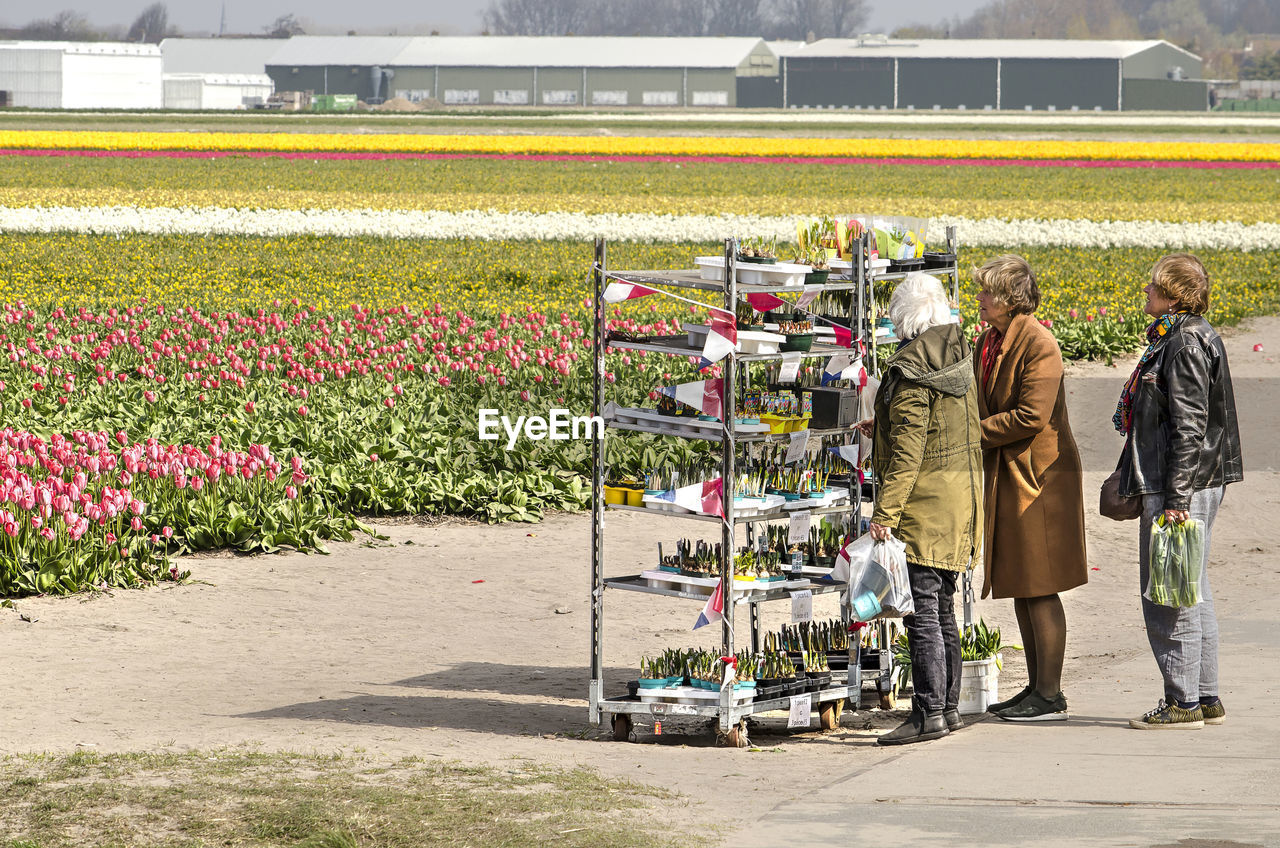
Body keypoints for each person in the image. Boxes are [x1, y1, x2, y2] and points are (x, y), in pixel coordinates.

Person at [1114, 253, 1242, 729]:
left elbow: (1188, 426)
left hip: (1182, 481)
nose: (1145, 292)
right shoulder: (1190, 334)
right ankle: (1205, 697)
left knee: (1169, 591)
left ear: (1174, 295)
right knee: (1194, 584)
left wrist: (1175, 500)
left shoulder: (1183, 342)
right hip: (1197, 478)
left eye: (1153, 286)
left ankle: (1182, 701)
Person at [861, 273, 983, 746]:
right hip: (960, 499)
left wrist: (884, 515)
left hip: (926, 504)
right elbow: (934, 430)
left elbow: (910, 452)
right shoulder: (956, 352)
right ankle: (948, 708)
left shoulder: (910, 369)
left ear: (903, 315)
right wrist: (884, 424)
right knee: (944, 606)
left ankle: (927, 711)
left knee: (923, 612)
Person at [973, 254, 1088, 722]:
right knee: (1022, 582)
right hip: (1011, 471)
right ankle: (1038, 687)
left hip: (1040, 478)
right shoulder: (989, 340)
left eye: (985, 291)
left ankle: (1051, 693)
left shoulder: (1040, 343)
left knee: (1040, 585)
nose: (978, 297)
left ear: (1007, 298)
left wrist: (970, 431)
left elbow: (1031, 417)